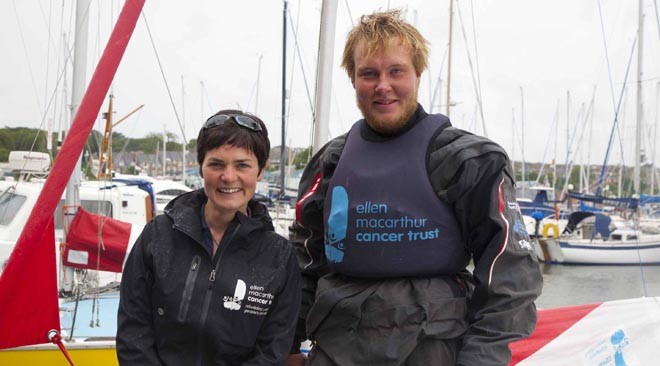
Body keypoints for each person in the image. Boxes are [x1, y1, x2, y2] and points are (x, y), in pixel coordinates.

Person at [287, 10, 542, 366]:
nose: (383, 86)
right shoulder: (329, 163)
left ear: (418, 74)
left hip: (435, 347)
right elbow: (305, 259)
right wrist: (288, 344)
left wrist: (483, 357)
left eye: (396, 71)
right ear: (353, 79)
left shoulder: (468, 160)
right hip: (337, 346)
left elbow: (511, 275)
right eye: (369, 73)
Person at [118, 110, 301, 365]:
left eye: (242, 165)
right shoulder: (158, 236)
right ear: (201, 167)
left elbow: (272, 352)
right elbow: (133, 331)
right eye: (216, 164)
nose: (228, 176)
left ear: (260, 171)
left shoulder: (278, 257)